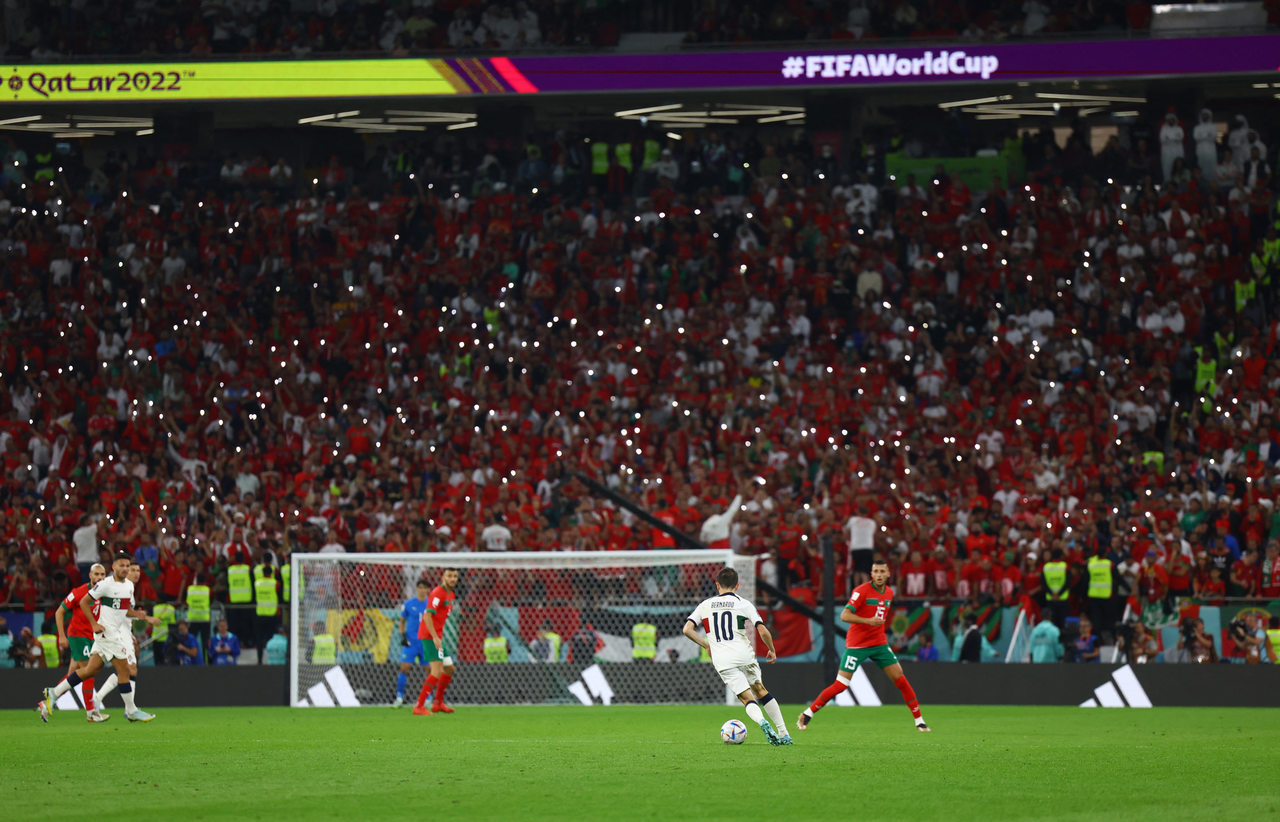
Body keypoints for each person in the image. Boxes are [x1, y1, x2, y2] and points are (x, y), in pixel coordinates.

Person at [798, 559, 930, 733]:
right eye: (876, 572)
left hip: (879, 644)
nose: (879, 575)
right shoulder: (861, 592)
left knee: (900, 679)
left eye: (883, 572)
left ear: (888, 574)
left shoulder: (889, 593)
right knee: (841, 684)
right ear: (871, 574)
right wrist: (868, 621)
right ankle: (807, 713)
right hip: (857, 645)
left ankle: (919, 721)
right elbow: (844, 615)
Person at [39, 551, 160, 723]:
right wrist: (94, 624)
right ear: (114, 567)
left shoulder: (129, 586)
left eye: (127, 566)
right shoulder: (106, 585)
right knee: (125, 669)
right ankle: (131, 710)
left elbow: (124, 610)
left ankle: (54, 692)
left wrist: (142, 616)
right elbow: (83, 602)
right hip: (107, 634)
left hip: (108, 635)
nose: (125, 569)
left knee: (90, 671)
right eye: (122, 565)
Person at [682, 566, 792, 745]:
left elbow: (687, 629)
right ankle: (784, 733)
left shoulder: (705, 605)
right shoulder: (744, 603)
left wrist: (706, 645)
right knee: (761, 691)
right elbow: (762, 630)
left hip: (723, 659)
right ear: (737, 586)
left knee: (747, 698)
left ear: (717, 585)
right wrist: (771, 649)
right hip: (744, 654)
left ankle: (761, 721)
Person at [54, 562, 109, 722]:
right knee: (89, 671)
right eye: (96, 574)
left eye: (102, 575)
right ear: (90, 576)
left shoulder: (105, 593)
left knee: (73, 675)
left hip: (93, 638)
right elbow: (59, 612)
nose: (99, 577)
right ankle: (91, 713)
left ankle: (49, 699)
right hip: (78, 636)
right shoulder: (78, 592)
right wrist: (62, 636)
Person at [95, 559, 147, 712]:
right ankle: (129, 709)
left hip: (122, 631)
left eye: (138, 570)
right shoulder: (119, 587)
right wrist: (125, 633)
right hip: (117, 632)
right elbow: (120, 612)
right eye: (132, 570)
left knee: (125, 669)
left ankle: (99, 699)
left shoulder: (129, 588)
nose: (135, 573)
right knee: (130, 668)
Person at [413, 568, 460, 715]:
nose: (452, 579)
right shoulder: (438, 593)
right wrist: (434, 636)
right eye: (449, 576)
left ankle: (438, 703)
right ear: (443, 577)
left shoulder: (450, 594)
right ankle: (419, 706)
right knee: (436, 671)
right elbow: (427, 616)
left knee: (449, 669)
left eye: (455, 576)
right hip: (429, 636)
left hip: (437, 637)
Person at [393, 579, 431, 707]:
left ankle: (428, 698)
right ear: (416, 589)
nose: (421, 590)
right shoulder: (408, 604)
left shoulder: (432, 605)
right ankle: (399, 697)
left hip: (425, 642)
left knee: (429, 670)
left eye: (424, 587)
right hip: (411, 642)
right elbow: (402, 621)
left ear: (428, 590)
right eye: (419, 587)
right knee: (404, 668)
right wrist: (403, 635)